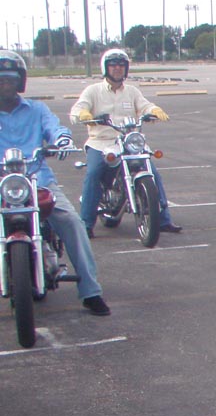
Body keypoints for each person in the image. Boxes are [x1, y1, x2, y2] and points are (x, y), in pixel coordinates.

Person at [0, 50, 109, 315]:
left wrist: (62, 139)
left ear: (20, 81)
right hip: (3, 184)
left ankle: (91, 291)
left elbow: (55, 127)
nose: (5, 83)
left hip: (38, 180)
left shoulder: (37, 109)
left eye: (10, 78)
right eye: (1, 79)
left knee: (72, 221)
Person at [69, 48, 180, 236]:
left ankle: (163, 220)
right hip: (101, 142)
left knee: (153, 173)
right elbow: (77, 110)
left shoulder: (132, 91)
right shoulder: (93, 91)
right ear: (105, 68)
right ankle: (86, 224)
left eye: (121, 65)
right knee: (94, 173)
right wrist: (84, 114)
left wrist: (154, 110)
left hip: (128, 141)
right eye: (113, 65)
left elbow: (144, 105)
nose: (117, 68)